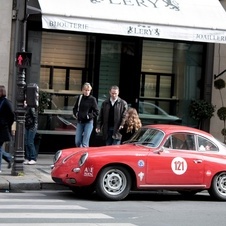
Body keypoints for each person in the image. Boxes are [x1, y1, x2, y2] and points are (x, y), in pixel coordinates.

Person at [73, 82, 99, 147]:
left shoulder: (92, 99)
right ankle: (79, 153)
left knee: (85, 143)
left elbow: (97, 111)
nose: (87, 92)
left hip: (88, 122)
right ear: (82, 90)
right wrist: (76, 113)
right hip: (80, 122)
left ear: (90, 91)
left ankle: (84, 155)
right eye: (85, 90)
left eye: (88, 90)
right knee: (77, 141)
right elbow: (75, 108)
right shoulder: (80, 98)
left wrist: (88, 116)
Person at [0, 85, 15, 172]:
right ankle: (9, 158)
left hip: (3, 129)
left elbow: (12, 115)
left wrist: (6, 123)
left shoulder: (6, 102)